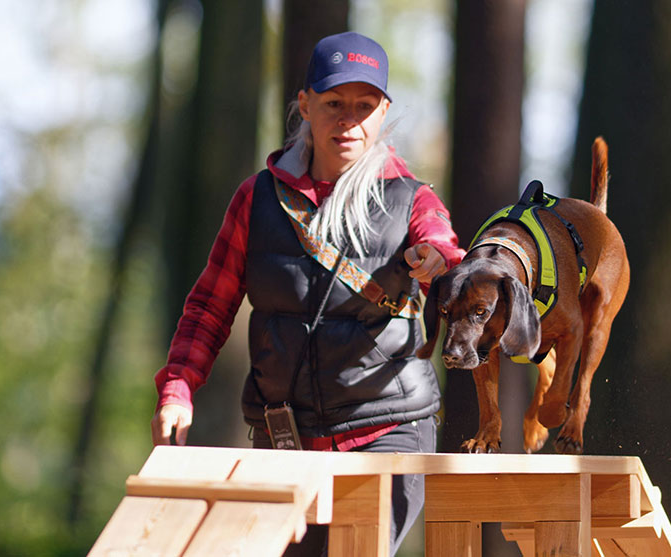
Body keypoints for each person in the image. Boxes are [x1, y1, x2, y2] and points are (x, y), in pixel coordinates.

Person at [151, 31, 464, 556]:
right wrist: (178, 387)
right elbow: (209, 304)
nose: (349, 120)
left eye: (365, 106)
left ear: (383, 112)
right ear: (304, 104)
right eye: (334, 104)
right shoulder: (257, 199)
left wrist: (436, 261)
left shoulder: (414, 198)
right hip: (285, 438)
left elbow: (445, 248)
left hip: (386, 431)